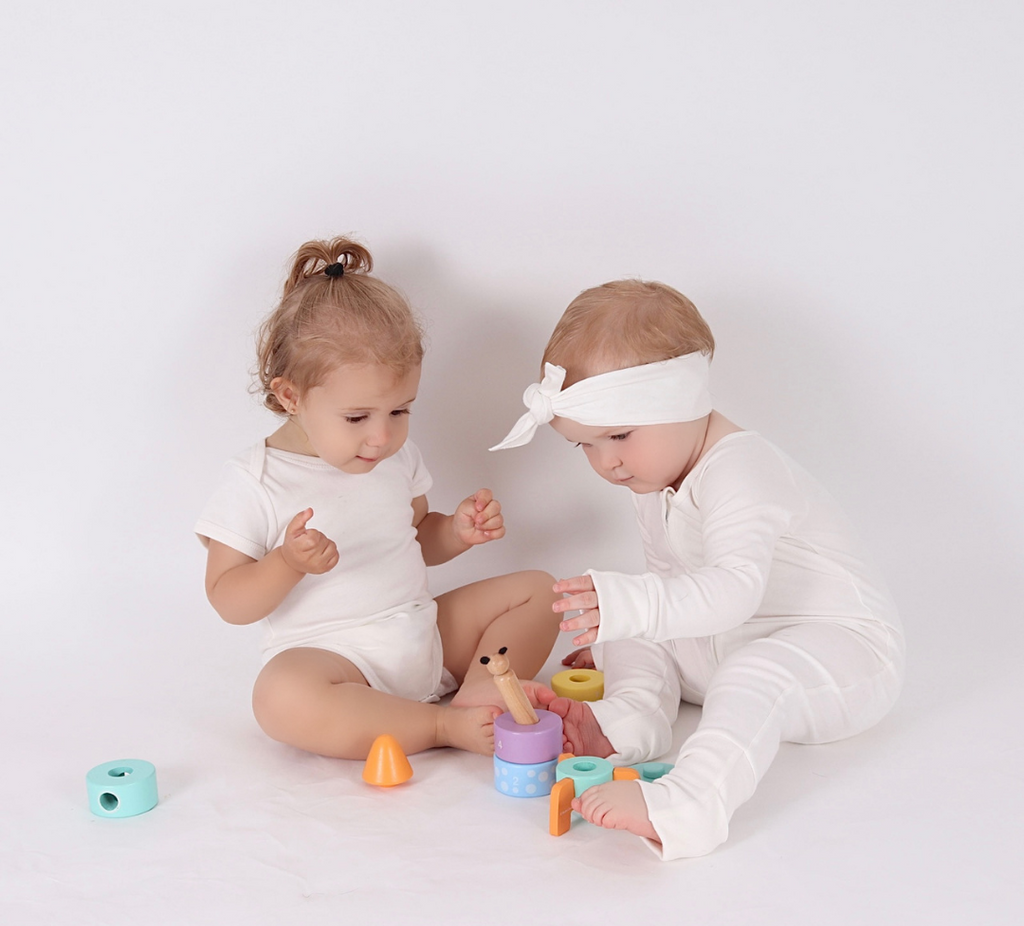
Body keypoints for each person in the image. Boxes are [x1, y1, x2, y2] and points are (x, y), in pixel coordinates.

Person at [491, 279, 904, 859]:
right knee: (643, 625)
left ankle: (688, 805)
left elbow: (733, 591)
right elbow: (670, 583)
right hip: (725, 642)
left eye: (618, 436)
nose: (606, 463)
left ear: (678, 402)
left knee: (749, 670)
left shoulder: (742, 469)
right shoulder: (651, 476)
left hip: (839, 650)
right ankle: (628, 721)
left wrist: (630, 605)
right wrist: (625, 626)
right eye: (584, 445)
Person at [196, 236, 560, 760]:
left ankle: (481, 691)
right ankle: (440, 725)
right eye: (357, 417)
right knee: (278, 696)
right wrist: (286, 562)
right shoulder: (255, 480)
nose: (382, 437)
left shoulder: (392, 458)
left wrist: (455, 533)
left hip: (421, 635)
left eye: (400, 411)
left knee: (540, 590)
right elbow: (228, 599)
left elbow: (415, 539)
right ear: (290, 396)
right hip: (337, 661)